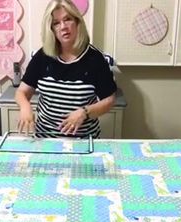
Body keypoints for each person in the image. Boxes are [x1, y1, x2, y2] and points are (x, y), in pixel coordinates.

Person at [15, 0, 117, 138]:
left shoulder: (95, 59)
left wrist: (84, 112)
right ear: (50, 28)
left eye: (67, 19)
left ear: (77, 22)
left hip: (83, 142)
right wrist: (25, 107)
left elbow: (109, 100)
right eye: (56, 23)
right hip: (45, 140)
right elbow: (22, 92)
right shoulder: (43, 56)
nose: (63, 27)